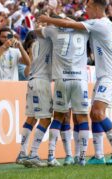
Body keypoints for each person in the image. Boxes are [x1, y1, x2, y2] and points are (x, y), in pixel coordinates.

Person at [38, 0, 112, 165]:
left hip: (110, 75)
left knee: (98, 113)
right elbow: (72, 23)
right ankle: (99, 155)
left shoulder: (101, 24)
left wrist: (47, 19)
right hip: (104, 75)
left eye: (89, 7)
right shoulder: (98, 24)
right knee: (93, 114)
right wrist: (54, 16)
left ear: (97, 8)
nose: (86, 9)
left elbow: (67, 23)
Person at [36, 18, 90, 166]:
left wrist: (43, 24)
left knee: (58, 116)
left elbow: (36, 32)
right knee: (83, 117)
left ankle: (51, 156)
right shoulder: (84, 31)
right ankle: (82, 158)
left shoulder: (53, 31)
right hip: (80, 80)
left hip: (62, 78)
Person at [16, 31, 53, 168]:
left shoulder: (34, 45)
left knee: (31, 118)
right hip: (42, 82)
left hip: (31, 81)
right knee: (46, 119)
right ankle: (33, 154)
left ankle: (22, 153)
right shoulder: (50, 42)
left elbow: (27, 70)